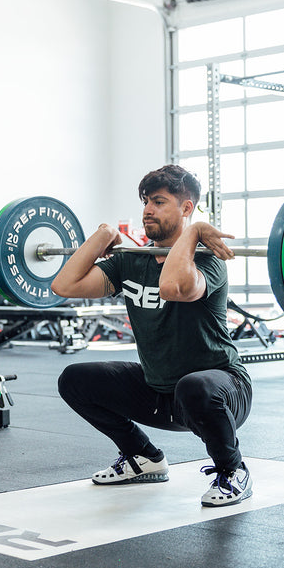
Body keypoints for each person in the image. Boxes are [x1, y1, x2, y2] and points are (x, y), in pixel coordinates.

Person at [52, 164, 253, 507]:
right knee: (75, 379)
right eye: (146, 201)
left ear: (186, 208)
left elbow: (172, 286)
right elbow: (64, 285)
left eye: (159, 201)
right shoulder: (132, 261)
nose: (147, 209)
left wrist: (192, 235)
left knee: (194, 386)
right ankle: (142, 457)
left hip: (221, 391)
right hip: (160, 392)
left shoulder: (207, 261)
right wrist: (102, 235)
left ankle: (233, 471)